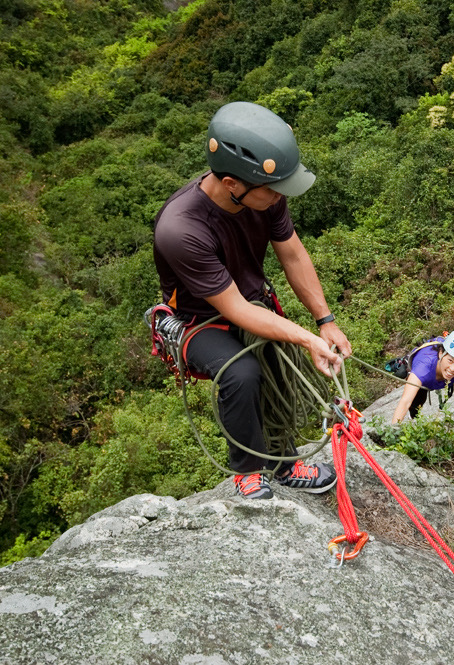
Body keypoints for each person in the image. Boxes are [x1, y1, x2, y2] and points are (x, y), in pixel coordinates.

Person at [152, 101, 351, 499]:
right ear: (232, 184)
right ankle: (249, 468)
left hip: (252, 300)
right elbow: (235, 311)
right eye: (272, 190)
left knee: (275, 359)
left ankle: (283, 462)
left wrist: (324, 319)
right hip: (198, 320)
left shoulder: (263, 193)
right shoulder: (181, 229)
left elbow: (291, 252)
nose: (280, 197)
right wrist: (307, 338)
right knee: (241, 373)